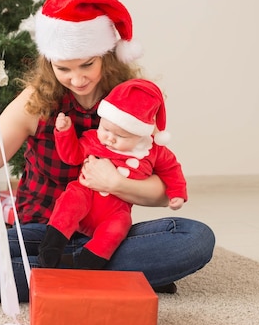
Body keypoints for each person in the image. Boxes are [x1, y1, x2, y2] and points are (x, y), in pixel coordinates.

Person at [0, 0, 215, 302]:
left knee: (195, 238)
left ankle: (64, 274)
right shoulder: (35, 102)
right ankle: (113, 273)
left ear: (107, 55)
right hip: (43, 233)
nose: (77, 79)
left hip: (104, 233)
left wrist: (114, 183)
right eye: (64, 68)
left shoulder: (133, 101)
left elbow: (164, 191)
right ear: (49, 61)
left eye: (87, 64)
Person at [39, 78, 187, 270]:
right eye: (106, 129)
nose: (109, 138)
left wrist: (177, 193)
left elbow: (171, 169)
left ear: (141, 135)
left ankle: (88, 264)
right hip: (86, 196)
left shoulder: (154, 151)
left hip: (115, 211)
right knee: (71, 199)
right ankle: (52, 246)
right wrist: (65, 132)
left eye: (121, 136)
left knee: (120, 225)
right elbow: (71, 156)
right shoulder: (94, 139)